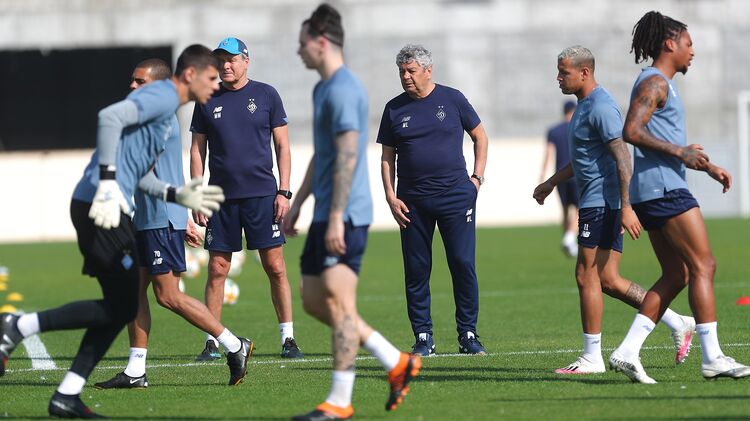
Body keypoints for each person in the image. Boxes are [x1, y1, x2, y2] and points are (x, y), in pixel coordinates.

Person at [0, 45, 252, 418]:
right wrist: (106, 182)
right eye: (212, 78)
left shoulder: (165, 118)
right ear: (190, 75)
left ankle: (67, 393)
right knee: (129, 302)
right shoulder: (163, 96)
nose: (217, 85)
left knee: (124, 305)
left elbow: (140, 174)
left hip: (108, 207)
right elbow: (108, 117)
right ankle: (19, 326)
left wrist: (175, 195)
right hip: (100, 205)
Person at [284, 4, 421, 420]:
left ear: (322, 42)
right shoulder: (321, 89)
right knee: (312, 300)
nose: (298, 50)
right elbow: (323, 155)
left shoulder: (345, 89)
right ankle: (396, 361)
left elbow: (348, 153)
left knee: (341, 305)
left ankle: (339, 401)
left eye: (302, 42)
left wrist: (337, 216)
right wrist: (298, 203)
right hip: (325, 212)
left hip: (346, 215)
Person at [533, 45, 694, 375]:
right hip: (600, 202)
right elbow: (585, 159)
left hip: (602, 203)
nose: (558, 78)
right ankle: (677, 321)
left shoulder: (601, 106)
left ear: (584, 72)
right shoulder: (584, 106)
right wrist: (551, 182)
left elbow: (622, 156)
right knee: (608, 280)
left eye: (563, 72)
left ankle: (592, 357)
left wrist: (626, 207)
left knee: (585, 274)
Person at [94, 58, 253, 390]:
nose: (132, 86)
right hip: (148, 216)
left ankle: (234, 345)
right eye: (132, 80)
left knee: (167, 296)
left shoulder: (156, 116)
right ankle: (136, 370)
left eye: (140, 82)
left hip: (159, 217)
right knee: (132, 292)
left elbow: (145, 170)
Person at [609, 11, 750, 383]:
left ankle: (627, 351)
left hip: (654, 190)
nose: (693, 51)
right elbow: (631, 130)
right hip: (665, 191)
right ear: (670, 44)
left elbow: (664, 142)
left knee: (677, 274)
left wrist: (706, 165)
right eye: (688, 43)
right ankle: (713, 357)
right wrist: (680, 153)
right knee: (705, 266)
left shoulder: (661, 84)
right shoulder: (655, 82)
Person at [190, 37, 302, 360]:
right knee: (217, 268)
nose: (226, 65)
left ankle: (288, 339)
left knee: (275, 266)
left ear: (246, 61)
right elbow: (197, 150)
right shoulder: (207, 98)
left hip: (263, 196)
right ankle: (212, 342)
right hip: (220, 199)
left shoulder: (267, 95)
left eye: (232, 59)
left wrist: (284, 191)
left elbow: (283, 146)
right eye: (221, 60)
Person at [378, 44, 489, 357]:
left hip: (456, 197)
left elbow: (480, 136)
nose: (406, 76)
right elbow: (387, 156)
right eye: (402, 71)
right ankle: (423, 337)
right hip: (412, 203)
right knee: (416, 270)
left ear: (428, 71)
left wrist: (477, 179)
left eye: (411, 71)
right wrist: (390, 196)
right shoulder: (394, 108)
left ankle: (468, 334)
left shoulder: (453, 99)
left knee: (463, 264)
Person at [539, 100, 579, 257]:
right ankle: (570, 238)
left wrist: (543, 175)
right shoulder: (577, 127)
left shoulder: (553, 131)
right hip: (575, 173)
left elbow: (548, 153)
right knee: (580, 208)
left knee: (565, 209)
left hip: (559, 176)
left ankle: (568, 240)